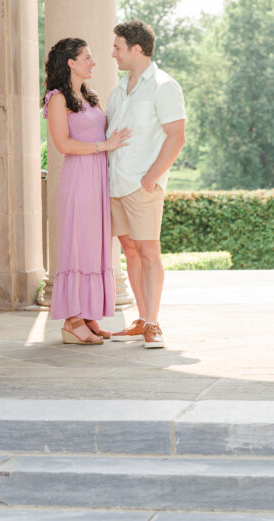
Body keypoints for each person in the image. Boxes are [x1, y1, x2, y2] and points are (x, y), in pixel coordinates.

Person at [43, 37, 131, 344]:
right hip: (79, 178)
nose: (94, 62)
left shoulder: (88, 96)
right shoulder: (57, 99)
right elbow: (63, 144)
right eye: (87, 58)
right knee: (79, 244)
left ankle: (88, 314)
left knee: (94, 245)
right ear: (71, 62)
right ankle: (71, 320)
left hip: (98, 176)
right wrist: (102, 146)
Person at [105, 21, 186, 349]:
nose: (113, 54)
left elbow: (176, 137)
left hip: (143, 185)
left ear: (137, 49)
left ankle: (153, 323)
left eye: (118, 47)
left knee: (149, 251)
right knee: (130, 251)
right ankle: (141, 319)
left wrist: (151, 178)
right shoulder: (117, 90)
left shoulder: (164, 86)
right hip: (116, 184)